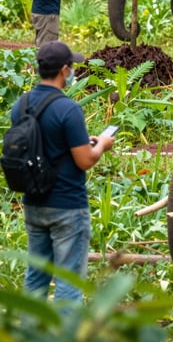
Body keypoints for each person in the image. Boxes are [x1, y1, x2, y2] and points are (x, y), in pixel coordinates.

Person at [10, 41, 114, 302]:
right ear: (64, 70)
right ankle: (65, 341)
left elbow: (40, 143)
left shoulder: (20, 106)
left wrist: (78, 141)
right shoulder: (68, 109)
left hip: (34, 203)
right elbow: (85, 160)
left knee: (35, 277)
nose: (72, 73)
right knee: (69, 283)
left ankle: (29, 336)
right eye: (72, 68)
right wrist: (101, 144)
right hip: (67, 206)